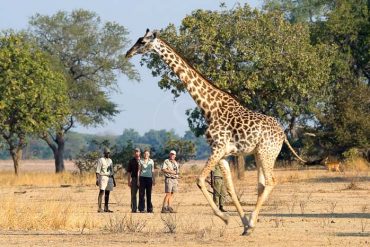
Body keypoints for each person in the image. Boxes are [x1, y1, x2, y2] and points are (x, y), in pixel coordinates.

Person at [96, 147, 116, 213]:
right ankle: (99, 208)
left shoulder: (110, 160)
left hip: (110, 177)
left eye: (109, 153)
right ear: (104, 153)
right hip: (103, 177)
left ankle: (106, 208)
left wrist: (114, 180)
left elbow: (112, 171)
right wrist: (97, 179)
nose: (108, 154)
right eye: (107, 153)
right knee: (102, 192)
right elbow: (97, 171)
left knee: (108, 193)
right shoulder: (101, 160)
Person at [127, 147, 141, 213]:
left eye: (137, 151)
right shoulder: (131, 161)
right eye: (135, 152)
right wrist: (129, 181)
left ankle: (141, 208)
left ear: (140, 153)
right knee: (133, 195)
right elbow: (129, 172)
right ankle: (134, 208)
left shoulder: (142, 160)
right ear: (134, 153)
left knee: (142, 194)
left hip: (142, 179)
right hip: (134, 179)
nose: (136, 153)